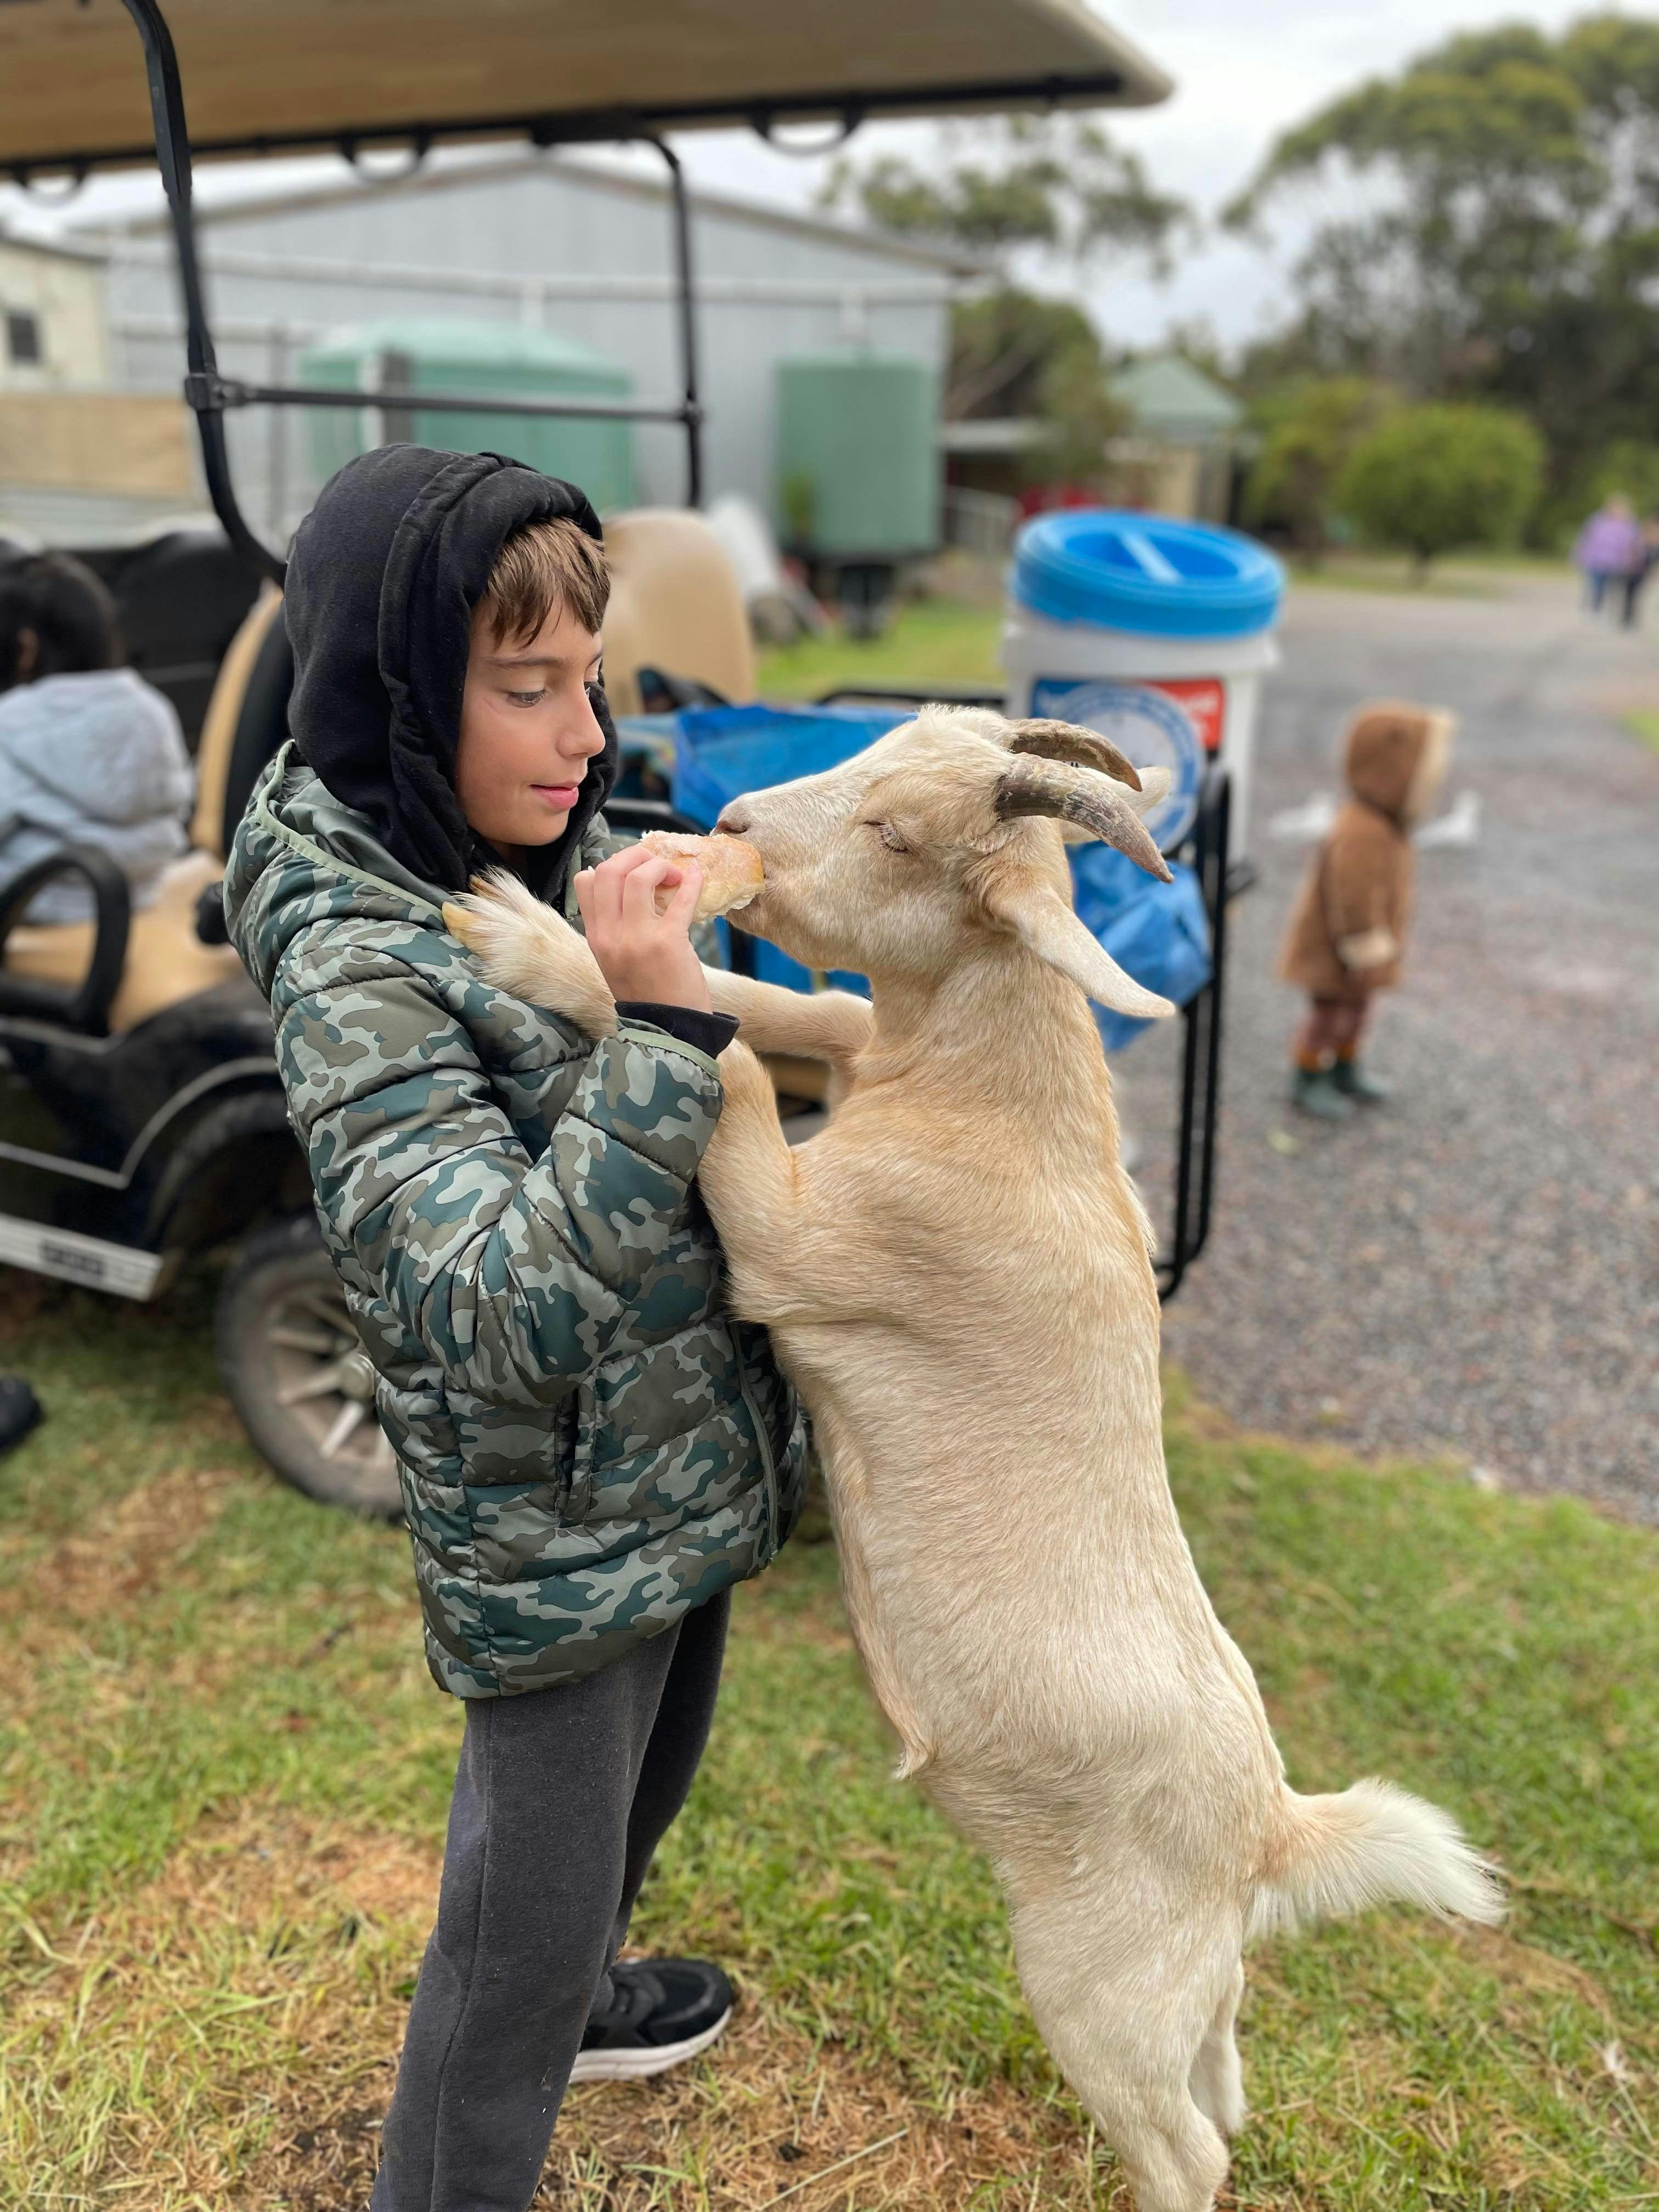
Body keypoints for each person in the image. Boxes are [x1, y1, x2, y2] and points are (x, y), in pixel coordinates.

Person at [222, 445, 806, 2212]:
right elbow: (483, 1311)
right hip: (552, 1517)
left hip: (671, 1458)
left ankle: (601, 2002)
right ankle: (446, 2180)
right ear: (395, 688)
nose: (579, 733)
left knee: (645, 1795)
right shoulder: (356, 954)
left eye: (589, 678)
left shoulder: (527, 829)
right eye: (525, 686)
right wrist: (656, 1038)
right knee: (517, 1919)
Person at [1278, 699, 1455, 1120]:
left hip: (1365, 950)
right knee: (1329, 1014)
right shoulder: (1361, 830)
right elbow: (1353, 893)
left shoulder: (1387, 825)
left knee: (1358, 1011)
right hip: (1339, 947)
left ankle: (1344, 1066)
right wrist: (1363, 941)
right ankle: (1307, 1075)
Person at [0, 551, 193, 923]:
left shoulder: (10, 722)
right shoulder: (150, 706)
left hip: (34, 907)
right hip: (136, 895)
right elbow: (178, 801)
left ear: (25, 649)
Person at [1572, 493, 1645, 617]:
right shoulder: (1597, 521)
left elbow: (1635, 544)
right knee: (1596, 586)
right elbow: (1586, 539)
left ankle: (1603, 610)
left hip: (1617, 564)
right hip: (1596, 560)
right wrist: (1579, 555)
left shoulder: (1629, 525)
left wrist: (1635, 559)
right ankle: (1594, 609)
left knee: (1611, 589)